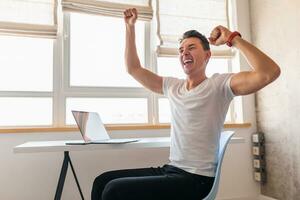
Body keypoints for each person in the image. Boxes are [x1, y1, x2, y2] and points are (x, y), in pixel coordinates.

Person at [91, 8, 280, 200]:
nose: (184, 53)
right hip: (172, 170)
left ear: (207, 56)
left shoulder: (219, 85)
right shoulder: (173, 86)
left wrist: (233, 38)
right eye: (181, 50)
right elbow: (133, 69)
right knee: (101, 182)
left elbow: (268, 72)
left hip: (196, 179)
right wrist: (130, 27)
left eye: (191, 48)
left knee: (114, 190)